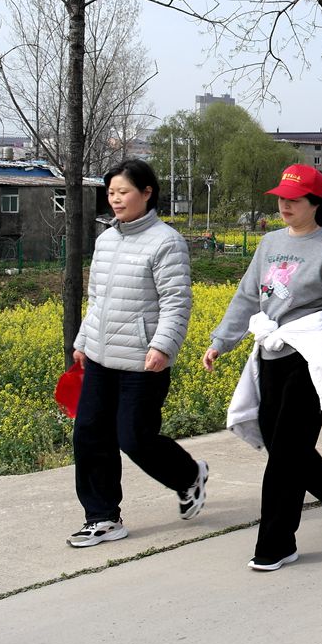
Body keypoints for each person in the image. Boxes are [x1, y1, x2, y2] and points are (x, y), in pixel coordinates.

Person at [204, 164, 322, 572]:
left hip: (312, 358)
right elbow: (247, 297)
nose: (285, 206)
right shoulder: (270, 243)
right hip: (272, 353)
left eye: (294, 200)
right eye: (281, 199)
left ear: (315, 203)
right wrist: (221, 341)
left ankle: (276, 543)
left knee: (286, 455)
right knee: (279, 444)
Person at [68, 159, 207, 548]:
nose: (115, 199)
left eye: (123, 192)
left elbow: (176, 301)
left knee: (134, 438)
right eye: (111, 192)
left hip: (142, 361)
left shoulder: (166, 242)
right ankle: (102, 518)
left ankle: (189, 476)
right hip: (100, 358)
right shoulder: (106, 240)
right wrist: (83, 341)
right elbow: (97, 299)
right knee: (89, 434)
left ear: (147, 193)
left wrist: (162, 346)